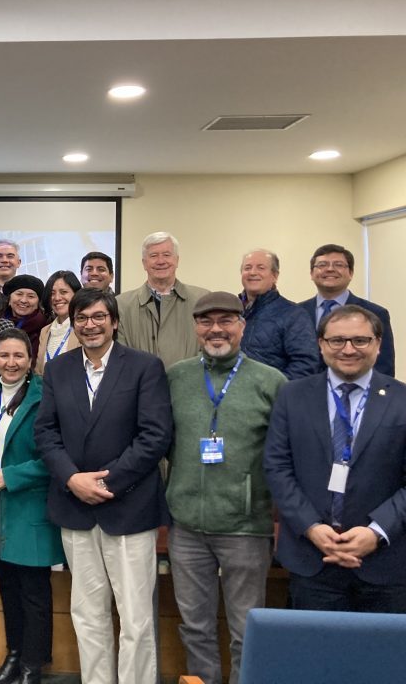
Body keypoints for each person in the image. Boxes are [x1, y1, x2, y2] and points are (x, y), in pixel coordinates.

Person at [33, 287, 172, 684]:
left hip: (128, 506)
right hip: (74, 505)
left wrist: (106, 482)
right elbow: (46, 433)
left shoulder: (145, 367)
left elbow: (154, 436)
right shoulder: (59, 369)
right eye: (82, 318)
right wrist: (73, 479)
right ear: (73, 324)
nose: (90, 325)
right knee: (87, 612)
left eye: (98, 317)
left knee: (136, 616)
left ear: (113, 321)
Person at [165, 291, 286, 684]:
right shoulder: (176, 377)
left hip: (245, 529)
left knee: (245, 631)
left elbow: (285, 455)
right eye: (206, 322)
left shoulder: (271, 382)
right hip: (186, 529)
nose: (216, 329)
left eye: (226, 321)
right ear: (196, 328)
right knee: (195, 628)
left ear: (242, 326)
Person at [265, 304, 406, 612]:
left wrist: (376, 532)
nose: (348, 349)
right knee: (315, 658)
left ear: (378, 344)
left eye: (360, 340)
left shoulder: (402, 399)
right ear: (321, 344)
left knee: (383, 659)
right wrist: (311, 526)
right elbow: (277, 467)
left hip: (385, 561)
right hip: (312, 557)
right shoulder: (292, 396)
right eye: (337, 340)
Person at [0, 329, 63, 684]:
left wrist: (13, 476)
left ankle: (32, 664)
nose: (10, 363)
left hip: (28, 504)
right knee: (7, 586)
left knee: (34, 591)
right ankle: (14, 655)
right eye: (4, 356)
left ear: (31, 361)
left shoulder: (46, 398)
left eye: (18, 356)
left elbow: (57, 457)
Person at [298, 243, 395, 377]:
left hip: (357, 391)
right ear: (312, 273)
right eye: (322, 265)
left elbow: (384, 366)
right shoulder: (296, 313)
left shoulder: (375, 313)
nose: (330, 269)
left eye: (338, 265)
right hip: (306, 391)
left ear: (351, 273)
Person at [116, 232, 209, 368]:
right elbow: (120, 356)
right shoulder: (121, 305)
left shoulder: (202, 300)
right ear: (144, 263)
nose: (160, 261)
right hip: (140, 387)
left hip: (190, 386)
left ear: (177, 260)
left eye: (167, 255)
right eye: (153, 256)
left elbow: (210, 349)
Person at [239, 249, 321, 379]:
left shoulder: (294, 314)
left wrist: (272, 390)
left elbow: (306, 364)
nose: (253, 272)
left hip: (270, 396)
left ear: (275, 276)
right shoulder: (231, 311)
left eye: (261, 268)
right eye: (247, 268)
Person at [35, 270, 81, 375]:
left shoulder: (83, 327)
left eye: (63, 292)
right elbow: (38, 371)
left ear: (76, 295)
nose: (57, 298)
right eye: (52, 293)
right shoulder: (45, 331)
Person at [2, 275, 46, 354]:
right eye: (19, 294)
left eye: (31, 296)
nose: (24, 300)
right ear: (9, 299)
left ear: (38, 303)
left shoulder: (45, 328)